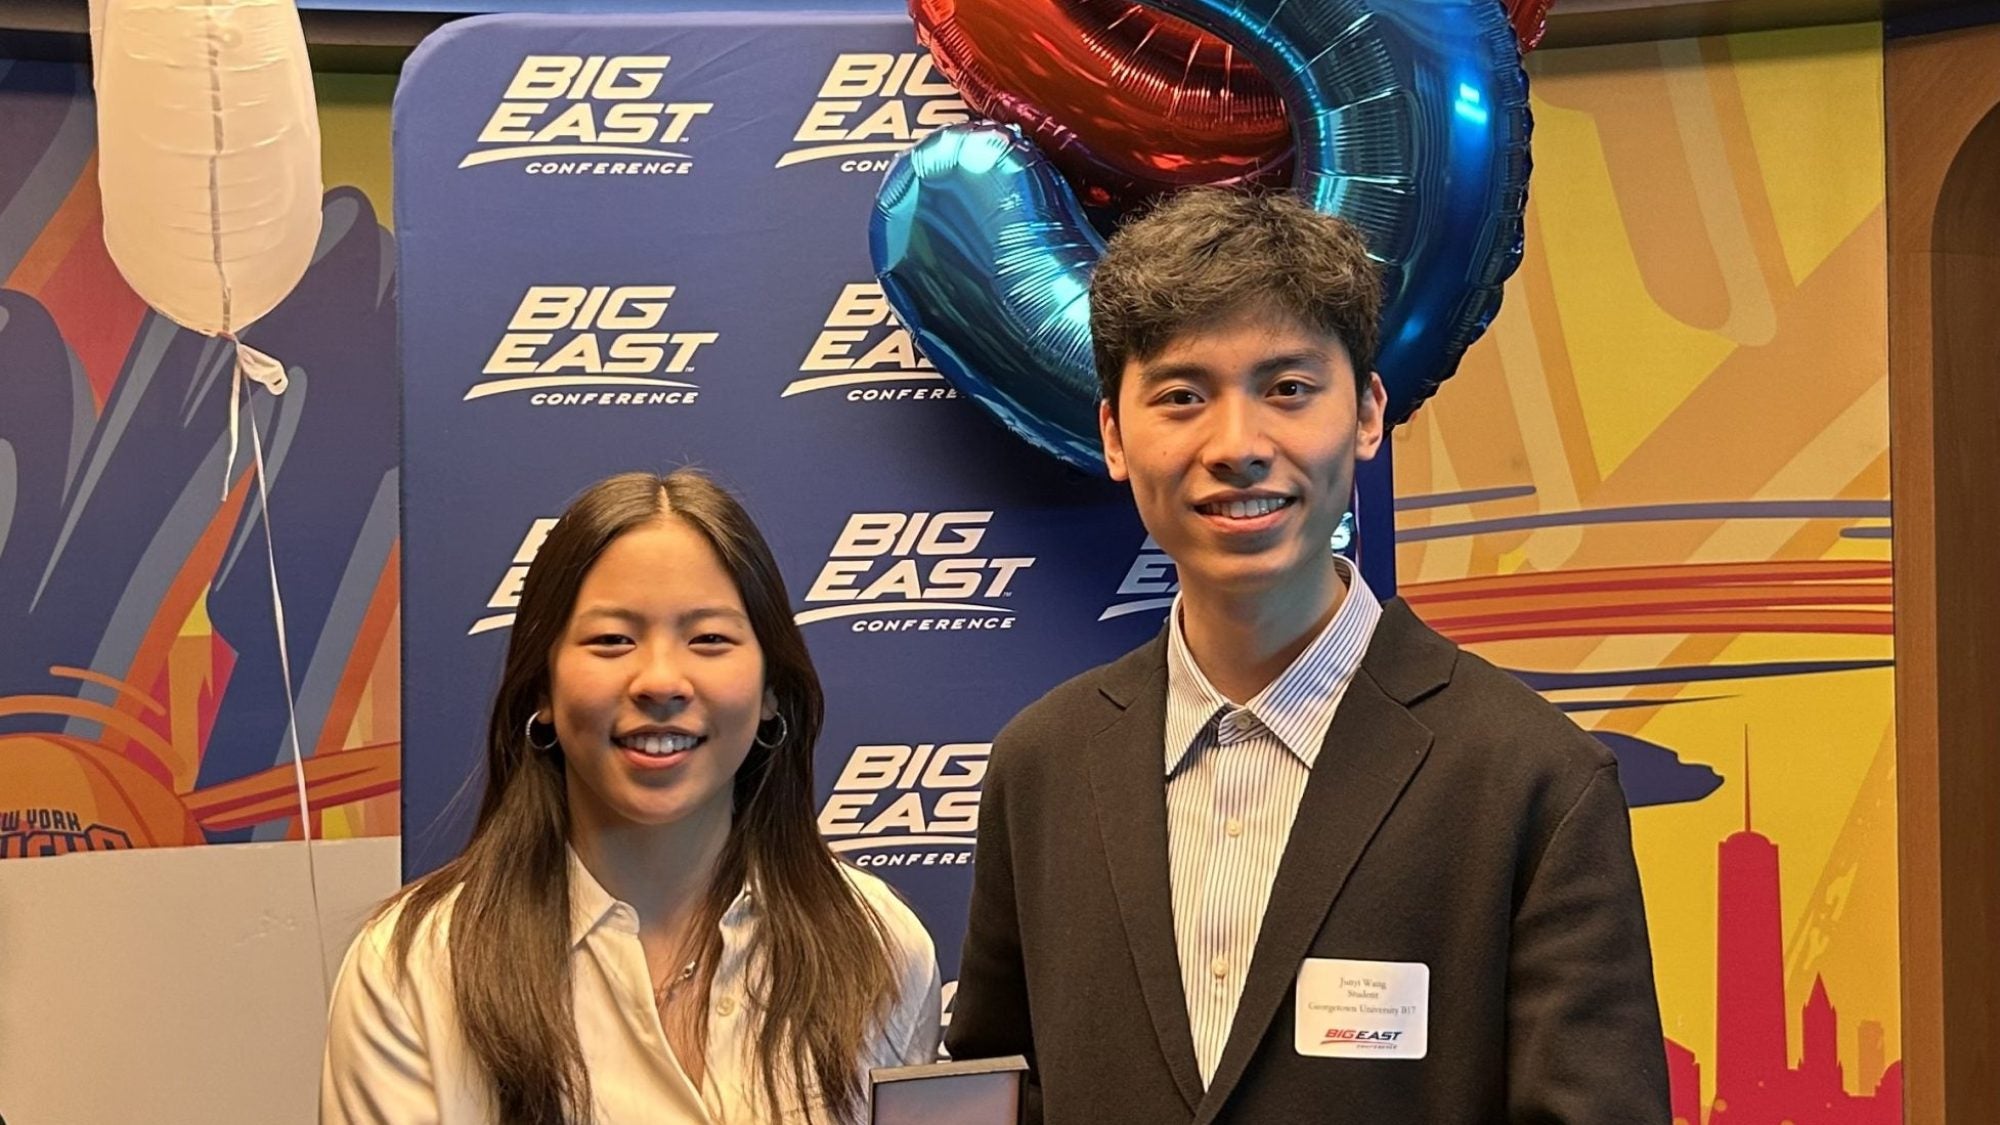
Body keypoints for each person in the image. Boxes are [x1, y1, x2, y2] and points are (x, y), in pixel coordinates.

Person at [947, 190, 1670, 1123]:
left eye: (1287, 388)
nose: (1238, 446)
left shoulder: (1532, 780)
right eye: (1181, 397)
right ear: (1116, 437)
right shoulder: (1041, 766)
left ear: (1368, 414)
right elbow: (1000, 1095)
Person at [322, 470, 941, 1124]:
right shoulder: (410, 970)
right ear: (542, 688)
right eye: (613, 639)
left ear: (770, 693)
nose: (661, 680)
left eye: (709, 639)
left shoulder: (881, 949)